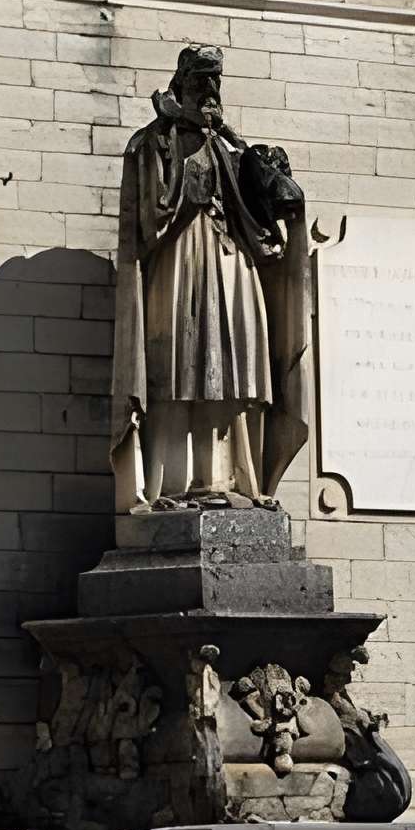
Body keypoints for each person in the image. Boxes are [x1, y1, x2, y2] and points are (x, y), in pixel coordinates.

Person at [110, 44, 310, 510]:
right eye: (200, 83)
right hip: (178, 262)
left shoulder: (228, 147)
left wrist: (266, 171)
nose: (209, 92)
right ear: (180, 87)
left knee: (237, 369)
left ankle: (233, 481)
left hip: (231, 264)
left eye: (214, 84)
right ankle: (168, 485)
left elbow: (263, 221)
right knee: (176, 368)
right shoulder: (153, 142)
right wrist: (178, 140)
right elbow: (149, 215)